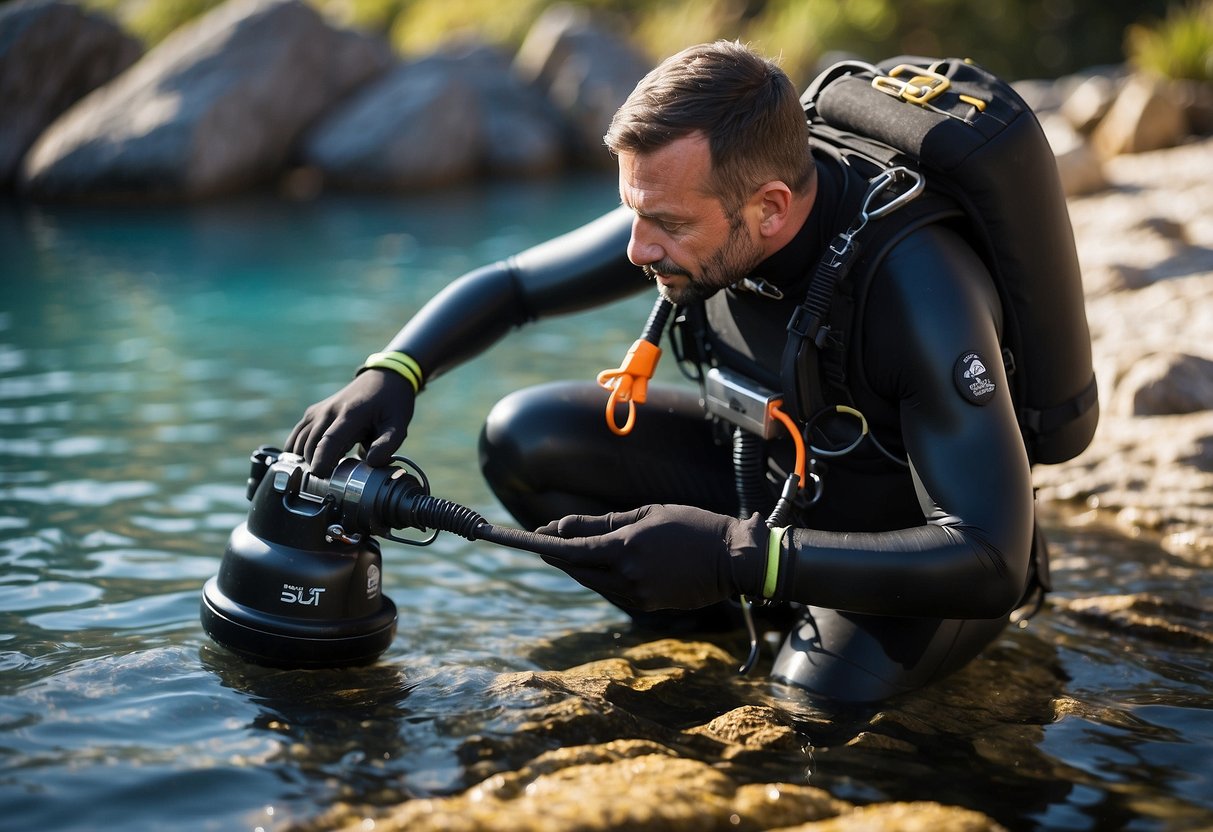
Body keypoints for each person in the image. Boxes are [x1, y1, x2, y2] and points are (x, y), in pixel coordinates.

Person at [286, 41, 1044, 703]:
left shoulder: (917, 288)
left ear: (769, 210)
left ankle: (767, 620)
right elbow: (514, 286)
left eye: (668, 225)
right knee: (527, 435)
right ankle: (703, 636)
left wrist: (734, 556)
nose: (634, 249)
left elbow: (990, 559)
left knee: (807, 705)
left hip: (909, 552)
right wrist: (392, 371)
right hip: (775, 494)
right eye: (632, 211)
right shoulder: (698, 197)